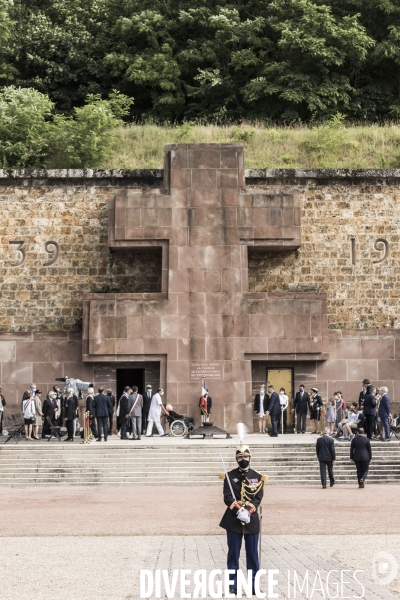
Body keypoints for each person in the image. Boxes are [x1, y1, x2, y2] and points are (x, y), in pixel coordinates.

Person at [219, 440, 267, 595]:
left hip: (251, 520)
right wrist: (239, 510)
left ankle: (253, 585)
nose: (243, 460)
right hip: (233, 520)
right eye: (240, 457)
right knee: (233, 553)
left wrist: (248, 511)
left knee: (252, 554)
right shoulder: (229, 475)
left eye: (246, 457)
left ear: (250, 458)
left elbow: (258, 497)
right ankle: (233, 585)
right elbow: (227, 497)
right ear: (236, 459)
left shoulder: (258, 477)